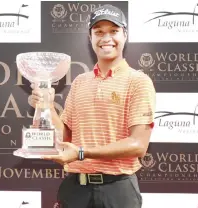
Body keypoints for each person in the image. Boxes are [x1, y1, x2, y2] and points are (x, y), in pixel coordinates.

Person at [29, 4, 156, 208]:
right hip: (75, 189)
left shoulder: (138, 81)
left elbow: (138, 145)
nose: (106, 38)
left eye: (113, 31)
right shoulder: (80, 81)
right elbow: (65, 138)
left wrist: (81, 153)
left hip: (118, 191)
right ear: (90, 38)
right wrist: (48, 106)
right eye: (99, 32)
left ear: (125, 35)